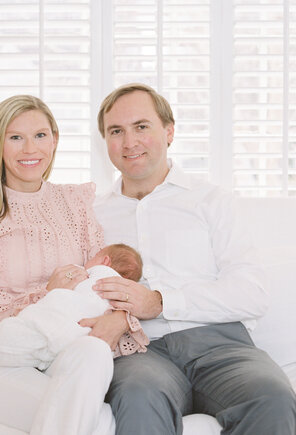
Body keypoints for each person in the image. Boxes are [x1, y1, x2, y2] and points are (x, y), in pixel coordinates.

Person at [0, 94, 147, 435]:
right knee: (100, 423)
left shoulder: (74, 204)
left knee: (93, 354)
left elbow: (104, 280)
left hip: (60, 345)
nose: (30, 149)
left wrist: (119, 315)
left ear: (55, 140)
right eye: (16, 137)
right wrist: (44, 295)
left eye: (40, 136)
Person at [92, 83, 296, 435]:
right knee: (138, 396)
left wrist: (159, 301)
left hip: (223, 346)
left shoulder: (212, 201)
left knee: (272, 396)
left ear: (169, 132)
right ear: (105, 141)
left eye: (141, 126)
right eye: (116, 131)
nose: (129, 142)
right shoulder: (94, 216)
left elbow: (252, 293)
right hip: (142, 351)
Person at [0, 243, 146, 370]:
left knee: (22, 325)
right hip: (81, 337)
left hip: (60, 320)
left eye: (93, 258)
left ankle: (16, 350)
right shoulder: (123, 296)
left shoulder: (83, 271)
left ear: (105, 261)